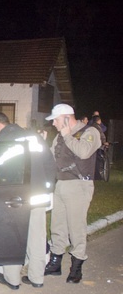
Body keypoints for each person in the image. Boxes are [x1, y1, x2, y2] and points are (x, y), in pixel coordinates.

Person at [0, 112, 56, 290]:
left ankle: (12, 278)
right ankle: (37, 278)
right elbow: (50, 162)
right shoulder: (32, 135)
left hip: (16, 196)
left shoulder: (2, 140)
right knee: (37, 236)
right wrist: (48, 187)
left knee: (12, 236)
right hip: (38, 194)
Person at [44, 104, 101, 284]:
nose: (53, 123)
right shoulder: (60, 136)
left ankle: (77, 267)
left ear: (67, 118)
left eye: (56, 119)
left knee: (76, 227)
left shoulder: (90, 131)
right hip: (61, 184)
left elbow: (84, 152)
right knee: (57, 225)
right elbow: (52, 157)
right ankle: (55, 264)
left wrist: (67, 134)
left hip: (79, 185)